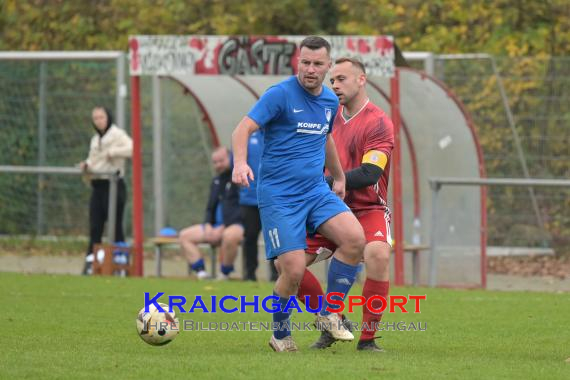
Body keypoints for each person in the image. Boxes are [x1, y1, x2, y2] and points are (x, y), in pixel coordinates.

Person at [232, 36, 366, 352]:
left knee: (355, 240)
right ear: (298, 61)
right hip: (279, 196)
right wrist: (240, 163)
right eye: (304, 62)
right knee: (292, 270)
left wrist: (338, 176)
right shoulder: (279, 95)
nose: (309, 69)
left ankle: (330, 312)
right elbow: (243, 129)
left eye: (317, 64)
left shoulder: (331, 101)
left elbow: (326, 138)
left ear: (327, 67)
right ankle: (280, 334)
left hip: (315, 191)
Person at [300, 57, 395, 352]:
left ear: (362, 80)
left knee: (378, 253)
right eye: (332, 80)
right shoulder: (325, 115)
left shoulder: (378, 121)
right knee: (287, 263)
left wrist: (324, 183)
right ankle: (332, 319)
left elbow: (370, 174)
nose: (335, 85)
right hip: (328, 208)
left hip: (368, 209)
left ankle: (367, 340)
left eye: (341, 78)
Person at [80, 106, 133, 275]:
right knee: (95, 226)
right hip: (98, 185)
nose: (98, 121)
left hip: (114, 184)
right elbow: (93, 158)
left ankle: (120, 264)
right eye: (95, 118)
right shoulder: (95, 139)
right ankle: (91, 263)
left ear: (108, 117)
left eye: (101, 117)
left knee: (115, 226)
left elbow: (132, 148)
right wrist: (86, 165)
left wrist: (114, 152)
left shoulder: (117, 134)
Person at [179, 147, 244, 280]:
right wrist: (208, 225)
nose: (218, 165)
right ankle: (201, 272)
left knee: (229, 236)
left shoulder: (240, 179)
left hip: (235, 225)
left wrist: (224, 226)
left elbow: (243, 209)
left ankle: (224, 274)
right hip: (214, 227)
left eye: (221, 160)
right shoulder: (215, 181)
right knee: (184, 236)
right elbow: (210, 208)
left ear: (231, 158)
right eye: (215, 162)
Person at [239, 130, 278, 282]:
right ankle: (249, 274)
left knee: (275, 237)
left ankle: (276, 275)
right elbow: (235, 163)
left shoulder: (280, 134)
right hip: (250, 199)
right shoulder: (247, 137)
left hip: (273, 199)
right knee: (249, 237)